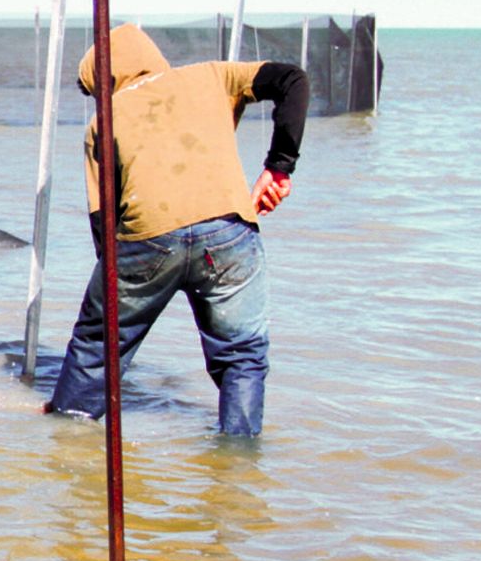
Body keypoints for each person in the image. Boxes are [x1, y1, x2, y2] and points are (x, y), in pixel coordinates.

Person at [47, 23, 308, 436]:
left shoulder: (103, 122)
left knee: (97, 347)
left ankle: (67, 436)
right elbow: (292, 80)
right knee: (242, 356)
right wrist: (279, 168)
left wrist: (119, 295)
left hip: (146, 239)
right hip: (229, 232)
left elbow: (103, 223)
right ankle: (237, 460)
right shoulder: (214, 76)